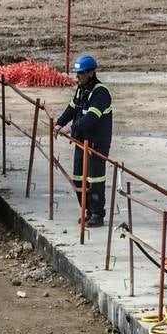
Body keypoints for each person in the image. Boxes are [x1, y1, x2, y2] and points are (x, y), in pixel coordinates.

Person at [55, 54, 113, 227]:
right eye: (77, 73)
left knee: (95, 179)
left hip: (96, 143)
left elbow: (92, 117)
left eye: (80, 73)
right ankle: (87, 211)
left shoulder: (100, 92)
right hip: (82, 141)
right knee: (79, 178)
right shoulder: (81, 89)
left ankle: (97, 214)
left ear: (91, 72)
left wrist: (71, 128)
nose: (77, 76)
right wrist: (59, 123)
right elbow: (72, 107)